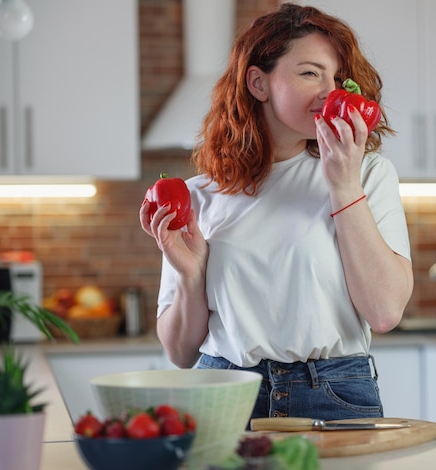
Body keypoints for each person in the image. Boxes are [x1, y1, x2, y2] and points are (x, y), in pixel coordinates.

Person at [139, 2, 413, 421]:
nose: (330, 90)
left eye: (337, 77)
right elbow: (179, 352)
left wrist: (343, 185)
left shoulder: (368, 174)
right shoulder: (197, 196)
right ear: (258, 83)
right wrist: (190, 274)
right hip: (223, 395)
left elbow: (384, 311)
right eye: (310, 73)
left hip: (332, 394)